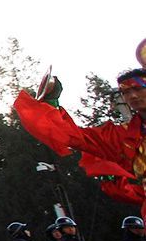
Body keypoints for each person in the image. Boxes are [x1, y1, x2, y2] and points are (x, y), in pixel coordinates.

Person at [15, 69, 146, 224]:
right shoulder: (120, 137)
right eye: (125, 92)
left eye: (137, 88)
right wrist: (50, 104)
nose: (132, 96)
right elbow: (73, 136)